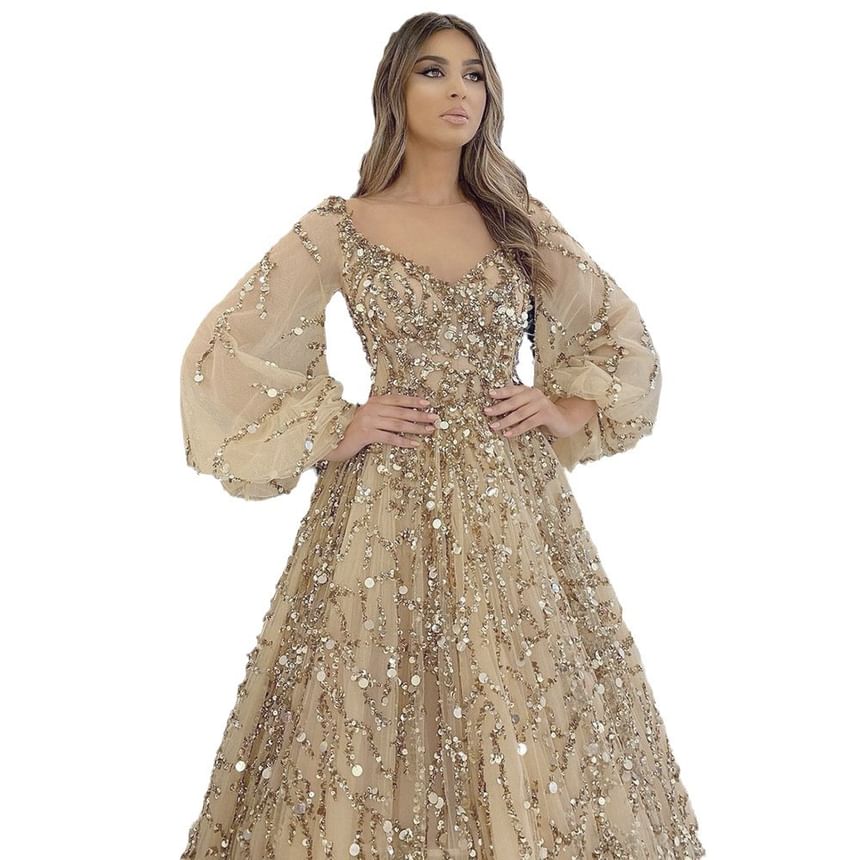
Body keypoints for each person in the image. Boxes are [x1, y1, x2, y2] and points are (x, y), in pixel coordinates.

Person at [177, 12, 705, 860]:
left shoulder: (517, 220)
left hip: (512, 505)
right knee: (368, 704)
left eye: (473, 73)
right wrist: (339, 425)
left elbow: (620, 333)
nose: (459, 90)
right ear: (395, 88)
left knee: (528, 701)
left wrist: (564, 408)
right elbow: (222, 355)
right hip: (383, 507)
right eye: (434, 71)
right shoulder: (340, 225)